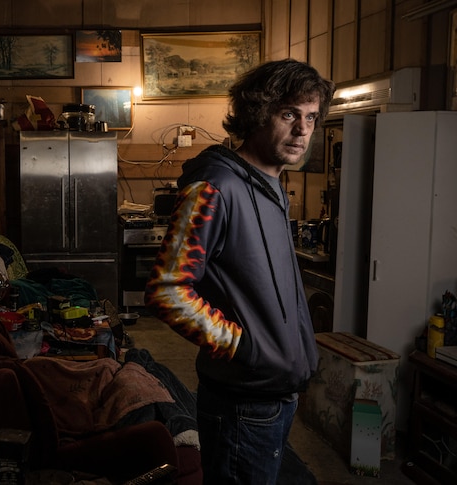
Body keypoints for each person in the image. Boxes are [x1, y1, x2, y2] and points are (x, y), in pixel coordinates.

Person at [145, 59, 335, 484]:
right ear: (256, 113)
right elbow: (166, 291)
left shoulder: (272, 186)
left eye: (310, 117)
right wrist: (244, 348)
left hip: (276, 397)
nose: (302, 130)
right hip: (242, 404)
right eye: (289, 114)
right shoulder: (214, 187)